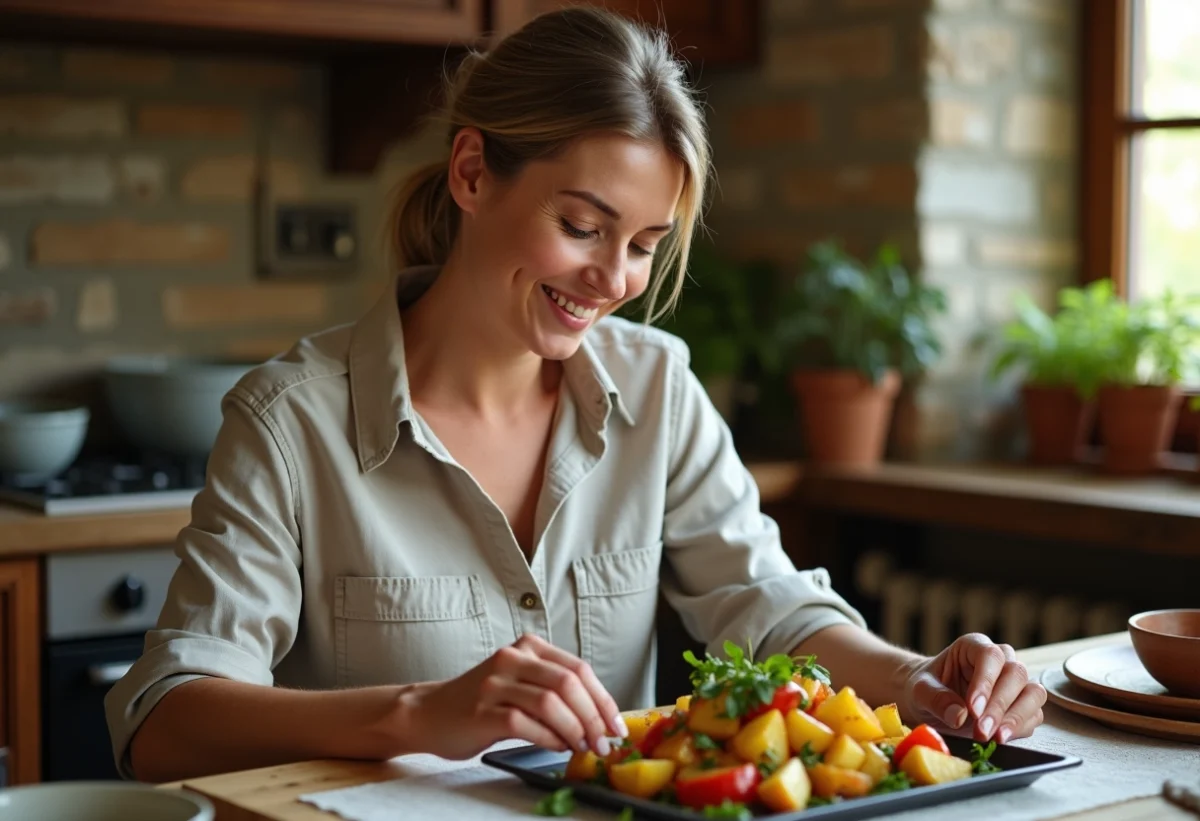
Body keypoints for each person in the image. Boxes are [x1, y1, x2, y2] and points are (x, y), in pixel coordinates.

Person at [105, 6, 1046, 784]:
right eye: (583, 226)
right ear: (473, 173)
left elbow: (769, 610)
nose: (614, 279)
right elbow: (163, 722)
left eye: (643, 244)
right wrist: (419, 713)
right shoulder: (290, 421)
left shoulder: (656, 387)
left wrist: (916, 677)